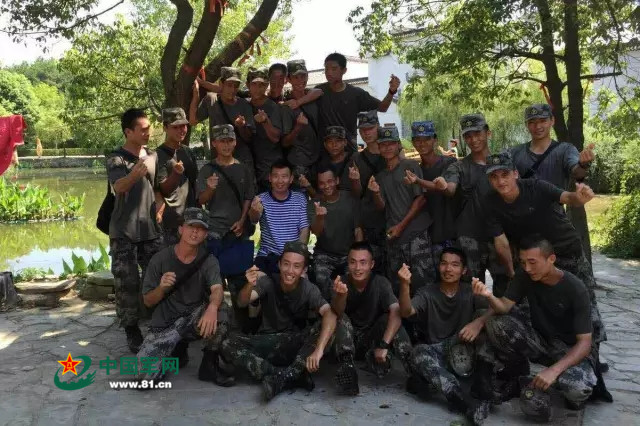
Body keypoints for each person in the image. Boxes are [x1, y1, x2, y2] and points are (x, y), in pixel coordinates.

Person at [473, 236, 609, 419]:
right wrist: (488, 295)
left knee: (575, 390)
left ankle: (560, 380)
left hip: (570, 350)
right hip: (542, 341)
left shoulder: (575, 288)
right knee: (496, 323)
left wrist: (554, 370)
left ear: (551, 259)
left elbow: (584, 344)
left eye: (532, 262)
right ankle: (518, 373)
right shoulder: (524, 275)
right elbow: (504, 306)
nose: (527, 268)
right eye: (523, 262)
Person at [482, 151, 606, 346]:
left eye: (505, 174)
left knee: (585, 303)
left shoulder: (536, 187)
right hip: (535, 259)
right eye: (494, 177)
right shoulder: (490, 202)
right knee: (533, 306)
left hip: (567, 251)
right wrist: (512, 272)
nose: (501, 181)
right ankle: (549, 350)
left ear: (515, 174)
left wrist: (579, 197)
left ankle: (591, 353)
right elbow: (501, 243)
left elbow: (567, 197)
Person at [221, 242, 344, 400]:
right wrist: (249, 285)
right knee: (227, 343)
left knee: (328, 324)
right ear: (279, 264)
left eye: (296, 266)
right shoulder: (268, 282)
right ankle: (284, 375)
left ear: (304, 270)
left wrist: (319, 350)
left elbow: (329, 313)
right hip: (268, 341)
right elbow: (242, 302)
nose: (290, 270)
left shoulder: (309, 289)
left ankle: (286, 375)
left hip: (295, 345)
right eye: (286, 264)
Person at [136, 208, 234, 387]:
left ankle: (209, 365)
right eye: (191, 226)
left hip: (193, 317)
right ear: (181, 229)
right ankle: (175, 351)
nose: (195, 232)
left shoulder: (209, 260)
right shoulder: (160, 259)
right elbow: (148, 301)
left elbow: (217, 289)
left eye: (201, 228)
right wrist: (161, 288)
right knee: (144, 379)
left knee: (221, 309)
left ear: (205, 234)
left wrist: (212, 308)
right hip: (165, 324)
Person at [398, 248, 492, 425]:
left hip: (464, 350)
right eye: (444, 263)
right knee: (418, 352)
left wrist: (478, 323)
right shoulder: (427, 292)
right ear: (439, 266)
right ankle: (461, 400)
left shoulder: (471, 291)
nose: (448, 269)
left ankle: (483, 388)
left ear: (464, 270)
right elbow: (406, 311)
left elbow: (496, 310)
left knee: (486, 328)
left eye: (455, 265)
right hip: (438, 352)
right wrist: (404, 285)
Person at [106, 108, 164, 353]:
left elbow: (157, 188)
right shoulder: (116, 159)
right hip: (124, 232)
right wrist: (135, 173)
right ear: (128, 132)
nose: (147, 133)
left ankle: (158, 322)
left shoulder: (152, 155)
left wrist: (160, 208)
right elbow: (119, 186)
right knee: (127, 283)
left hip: (150, 230)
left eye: (149, 128)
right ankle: (131, 328)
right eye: (142, 129)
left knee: (156, 277)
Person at [434, 113, 509, 296]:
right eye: (468, 136)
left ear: (488, 133)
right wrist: (444, 186)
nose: (473, 140)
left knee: (506, 288)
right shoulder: (459, 167)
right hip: (469, 241)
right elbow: (451, 188)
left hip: (499, 238)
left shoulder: (503, 164)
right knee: (470, 292)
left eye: (477, 134)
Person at [197, 124, 255, 332]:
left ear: (235, 142)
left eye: (230, 140)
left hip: (237, 233)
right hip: (213, 234)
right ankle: (216, 329)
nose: (226, 145)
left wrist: (242, 220)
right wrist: (210, 189)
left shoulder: (243, 168)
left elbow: (248, 197)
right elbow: (201, 200)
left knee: (240, 285)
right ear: (214, 143)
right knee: (214, 285)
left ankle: (243, 330)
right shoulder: (207, 170)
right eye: (222, 141)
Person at [331, 242, 412, 382]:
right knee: (339, 317)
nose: (357, 268)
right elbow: (336, 313)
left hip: (370, 340)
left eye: (363, 263)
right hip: (345, 342)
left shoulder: (381, 282)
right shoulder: (340, 282)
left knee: (390, 318)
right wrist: (341, 296)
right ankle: (347, 369)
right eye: (353, 262)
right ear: (347, 263)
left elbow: (396, 311)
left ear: (372, 264)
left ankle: (414, 370)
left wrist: (384, 345)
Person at [368, 124, 435, 294]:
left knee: (423, 284)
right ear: (378, 147)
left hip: (416, 234)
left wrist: (401, 226)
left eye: (391, 143)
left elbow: (421, 199)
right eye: (383, 144)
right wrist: (375, 193)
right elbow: (381, 207)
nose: (387, 148)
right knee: (398, 286)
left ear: (398, 145)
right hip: (394, 238)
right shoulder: (380, 176)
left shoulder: (410, 166)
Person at [316, 52, 400, 151]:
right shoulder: (318, 92)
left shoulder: (356, 94)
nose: (329, 73)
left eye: (334, 69)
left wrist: (391, 91)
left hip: (348, 149)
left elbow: (382, 107)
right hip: (324, 149)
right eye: (326, 69)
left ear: (344, 70)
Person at [404, 121, 458, 271]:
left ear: (435, 140)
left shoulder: (450, 163)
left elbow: (448, 189)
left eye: (427, 139)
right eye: (418, 140)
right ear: (413, 142)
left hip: (450, 237)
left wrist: (418, 181)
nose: (422, 144)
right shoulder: (416, 170)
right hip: (425, 240)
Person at [510, 103, 595, 190]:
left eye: (543, 121)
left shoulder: (566, 150)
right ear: (526, 125)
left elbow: (578, 173)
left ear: (552, 121)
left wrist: (583, 164)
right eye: (532, 122)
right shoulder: (514, 153)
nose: (538, 126)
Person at [310, 165, 363, 299]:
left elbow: (358, 230)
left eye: (330, 181)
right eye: (322, 183)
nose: (326, 186)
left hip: (348, 253)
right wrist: (320, 218)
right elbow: (316, 232)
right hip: (324, 254)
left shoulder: (350, 199)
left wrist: (358, 253)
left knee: (355, 280)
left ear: (337, 180)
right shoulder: (314, 204)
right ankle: (327, 308)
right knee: (321, 279)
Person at [249, 160, 310, 273]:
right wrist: (254, 211)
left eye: (284, 176)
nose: (280, 181)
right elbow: (253, 220)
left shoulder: (300, 199)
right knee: (256, 280)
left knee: (301, 279)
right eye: (275, 176)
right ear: (270, 178)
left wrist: (298, 253)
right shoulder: (261, 199)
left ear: (291, 179)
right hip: (267, 255)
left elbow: (304, 229)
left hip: (293, 255)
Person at [190, 67, 256, 170]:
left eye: (236, 86)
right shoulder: (211, 100)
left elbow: (249, 137)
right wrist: (196, 96)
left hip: (242, 162)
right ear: (221, 84)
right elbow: (193, 121)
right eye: (229, 85)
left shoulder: (244, 105)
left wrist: (241, 126)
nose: (232, 90)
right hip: (219, 163)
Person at [348, 110, 387, 275]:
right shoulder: (357, 158)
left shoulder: (391, 152)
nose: (366, 133)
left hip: (391, 218)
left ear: (378, 126)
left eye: (370, 128)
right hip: (370, 220)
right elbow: (357, 194)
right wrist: (355, 180)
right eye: (362, 130)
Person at [155, 107, 198, 245]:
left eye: (183, 126)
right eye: (175, 127)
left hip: (191, 219)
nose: (181, 130)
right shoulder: (157, 155)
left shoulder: (188, 152)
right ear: (165, 128)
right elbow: (164, 190)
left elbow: (194, 185)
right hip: (170, 223)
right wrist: (176, 174)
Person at [280, 60, 321, 189]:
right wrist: (298, 127)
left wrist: (299, 102)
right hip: (300, 163)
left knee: (319, 197)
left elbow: (319, 91)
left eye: (303, 76)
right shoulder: (286, 107)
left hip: (318, 159)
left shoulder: (312, 97)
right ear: (288, 79)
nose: (300, 80)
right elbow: (285, 142)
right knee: (300, 197)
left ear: (308, 76)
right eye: (295, 77)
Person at [246, 67, 284, 192]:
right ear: (247, 85)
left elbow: (276, 138)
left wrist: (265, 122)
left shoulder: (272, 107)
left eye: (261, 85)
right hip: (251, 165)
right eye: (254, 84)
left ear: (267, 85)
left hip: (269, 166)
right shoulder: (245, 105)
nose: (258, 88)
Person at [316, 126, 358, 192]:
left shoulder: (356, 159)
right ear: (325, 145)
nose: (334, 145)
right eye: (330, 141)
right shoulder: (321, 164)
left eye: (338, 141)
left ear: (345, 142)